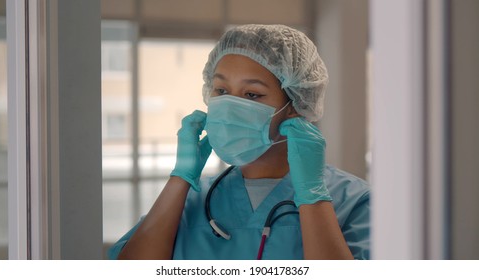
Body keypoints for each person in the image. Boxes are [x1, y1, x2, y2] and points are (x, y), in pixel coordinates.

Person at [108, 24, 370, 260]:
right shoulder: (188, 201)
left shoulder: (352, 201)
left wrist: (312, 198)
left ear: (296, 104)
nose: (230, 106)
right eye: (221, 91)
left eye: (252, 94)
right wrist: (179, 178)